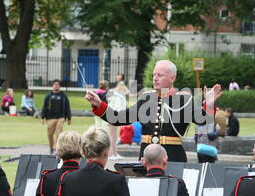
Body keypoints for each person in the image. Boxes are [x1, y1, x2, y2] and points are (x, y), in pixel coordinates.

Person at [85, 60, 222, 162]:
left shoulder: (183, 100)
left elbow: (203, 120)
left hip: (172, 157)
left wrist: (209, 104)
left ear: (172, 78)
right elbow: (118, 118)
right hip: (146, 157)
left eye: (160, 75)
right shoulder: (146, 98)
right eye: (154, 74)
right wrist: (99, 104)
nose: (155, 78)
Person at [40, 80, 72, 155]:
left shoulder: (63, 96)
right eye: (55, 85)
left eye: (57, 85)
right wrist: (42, 117)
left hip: (60, 118)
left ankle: (55, 148)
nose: (56, 86)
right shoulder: (48, 96)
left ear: (59, 86)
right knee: (50, 134)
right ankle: (51, 147)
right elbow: (44, 107)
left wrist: (69, 118)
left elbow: (67, 107)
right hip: (50, 118)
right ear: (52, 86)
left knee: (59, 133)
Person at [107, 82, 128, 159]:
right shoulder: (117, 97)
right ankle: (111, 153)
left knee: (114, 137)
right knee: (112, 137)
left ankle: (114, 153)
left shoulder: (118, 96)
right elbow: (117, 108)